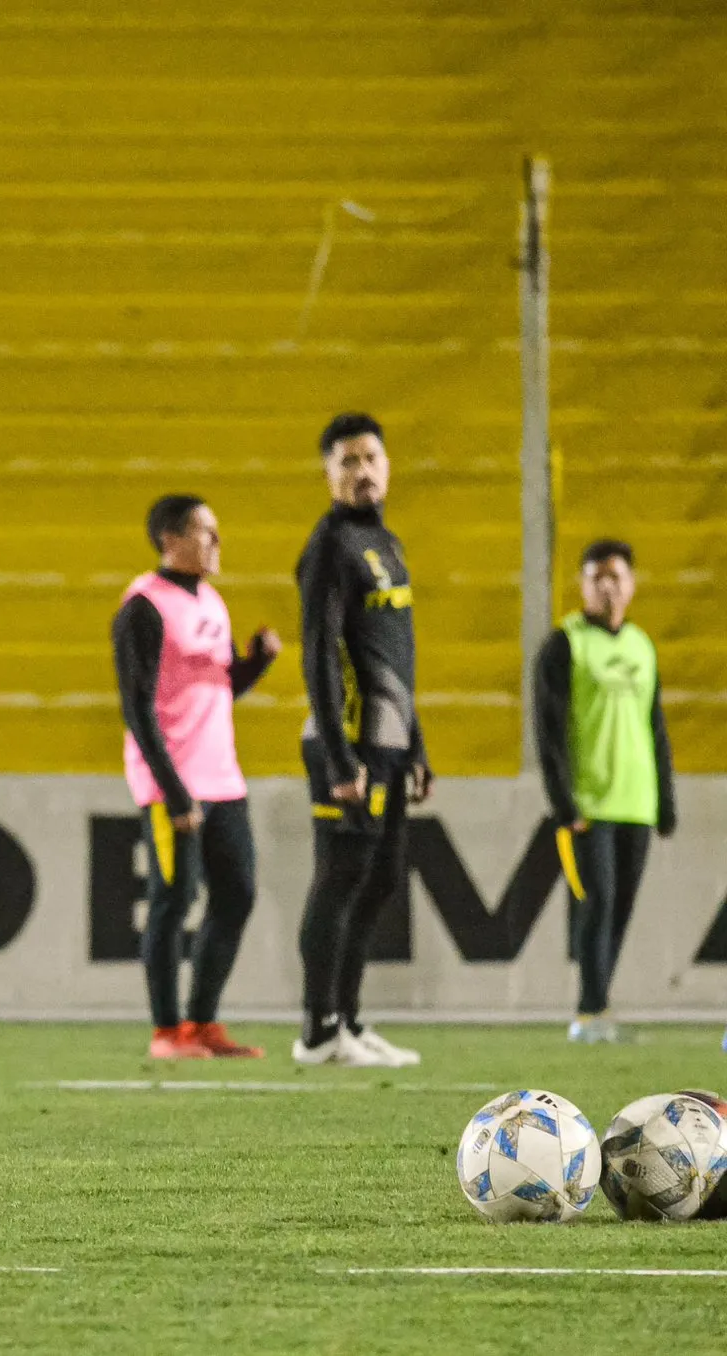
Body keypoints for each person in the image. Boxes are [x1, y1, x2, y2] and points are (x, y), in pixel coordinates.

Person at [113, 495, 280, 1060]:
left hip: (222, 778)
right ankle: (167, 1032)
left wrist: (255, 663)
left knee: (237, 895)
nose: (217, 541)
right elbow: (136, 708)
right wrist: (174, 791)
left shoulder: (212, 601)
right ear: (170, 540)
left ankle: (203, 1023)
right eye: (205, 531)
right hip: (173, 783)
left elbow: (221, 688)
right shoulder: (143, 607)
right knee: (173, 899)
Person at [292, 412, 430, 1069]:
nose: (363, 470)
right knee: (340, 880)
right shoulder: (329, 548)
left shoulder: (387, 543)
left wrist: (416, 745)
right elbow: (319, 656)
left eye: (371, 457)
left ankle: (347, 1019)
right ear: (328, 474)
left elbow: (394, 654)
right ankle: (318, 1030)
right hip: (347, 741)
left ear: (388, 465)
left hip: (388, 741)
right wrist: (341, 759)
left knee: (378, 883)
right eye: (347, 461)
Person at [533, 540, 676, 1044]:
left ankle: (599, 1007)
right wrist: (563, 802)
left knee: (621, 908)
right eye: (597, 578)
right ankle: (589, 1012)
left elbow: (655, 727)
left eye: (616, 577)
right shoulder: (565, 644)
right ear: (582, 585)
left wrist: (665, 799)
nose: (608, 587)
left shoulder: (641, 645)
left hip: (637, 801)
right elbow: (548, 731)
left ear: (632, 585)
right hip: (589, 803)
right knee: (598, 901)